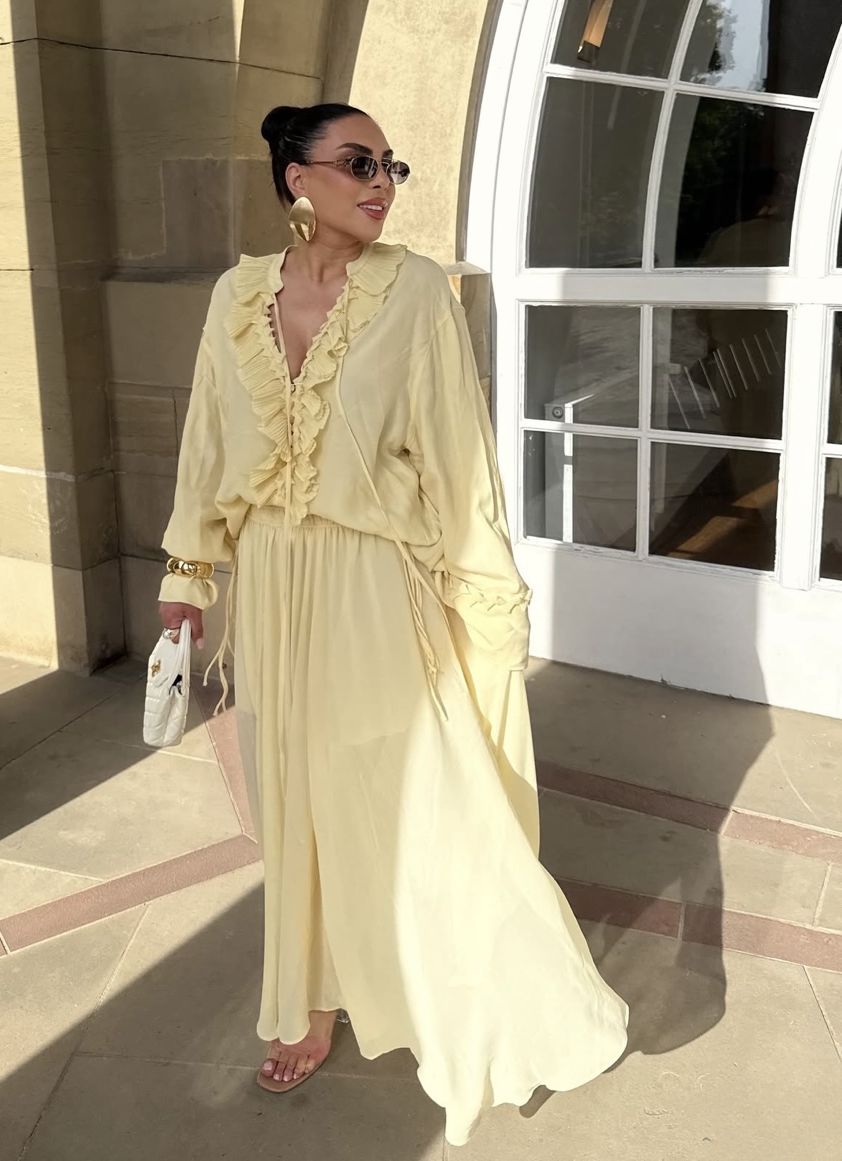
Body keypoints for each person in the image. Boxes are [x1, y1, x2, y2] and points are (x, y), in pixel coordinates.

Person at [158, 102, 628, 1147]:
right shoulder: (236, 296)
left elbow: (458, 458)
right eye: (358, 162)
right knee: (294, 799)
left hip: (373, 583)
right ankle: (310, 999)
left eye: (391, 166)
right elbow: (205, 438)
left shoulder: (413, 292)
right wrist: (189, 572)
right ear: (296, 177)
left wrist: (487, 594)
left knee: (416, 798)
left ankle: (466, 992)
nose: (381, 181)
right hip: (271, 582)